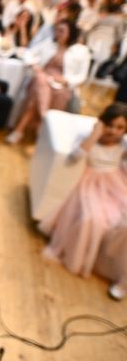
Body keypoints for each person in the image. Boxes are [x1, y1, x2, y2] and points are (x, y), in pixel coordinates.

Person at [40, 103, 127, 301]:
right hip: (91, 184)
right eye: (110, 125)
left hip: (117, 184)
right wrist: (95, 135)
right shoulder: (91, 138)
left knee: (122, 223)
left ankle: (118, 273)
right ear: (102, 123)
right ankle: (82, 258)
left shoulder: (122, 145)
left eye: (120, 127)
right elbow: (74, 157)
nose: (114, 131)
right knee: (93, 220)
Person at [6, 20, 91, 144]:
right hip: (42, 75)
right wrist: (35, 65)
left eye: (62, 31)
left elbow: (82, 75)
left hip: (62, 84)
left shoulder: (81, 51)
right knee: (40, 80)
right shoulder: (48, 44)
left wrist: (66, 80)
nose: (58, 33)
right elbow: (28, 53)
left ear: (70, 33)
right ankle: (44, 120)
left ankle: (21, 129)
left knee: (44, 94)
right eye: (57, 30)